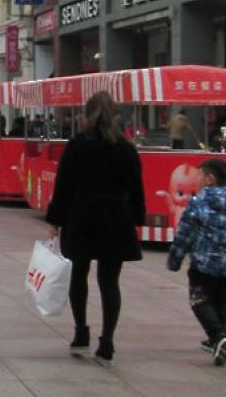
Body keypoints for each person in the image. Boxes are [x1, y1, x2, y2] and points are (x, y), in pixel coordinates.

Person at [44, 90, 145, 364]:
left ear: (86, 115)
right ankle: (108, 341)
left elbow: (63, 186)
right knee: (109, 282)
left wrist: (55, 220)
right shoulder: (126, 148)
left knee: (79, 275)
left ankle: (81, 333)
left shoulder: (78, 144)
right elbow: (136, 188)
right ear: (116, 116)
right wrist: (137, 219)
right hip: (116, 218)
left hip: (82, 217)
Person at [166, 158, 226, 366]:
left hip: (203, 264)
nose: (197, 179)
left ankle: (219, 336)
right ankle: (218, 341)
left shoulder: (198, 203)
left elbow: (185, 234)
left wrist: (175, 259)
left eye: (200, 175)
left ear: (210, 179)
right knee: (220, 300)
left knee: (199, 300)